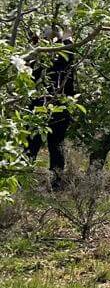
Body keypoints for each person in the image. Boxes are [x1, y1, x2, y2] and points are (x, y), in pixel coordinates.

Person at [25, 24, 76, 191]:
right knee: (54, 145)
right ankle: (55, 183)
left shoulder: (38, 56)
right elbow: (69, 40)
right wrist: (67, 31)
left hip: (43, 106)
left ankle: (22, 179)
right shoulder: (64, 54)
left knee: (33, 144)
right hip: (57, 107)